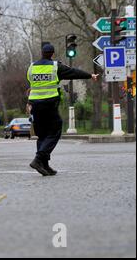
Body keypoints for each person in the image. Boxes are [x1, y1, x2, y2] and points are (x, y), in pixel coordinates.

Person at [27, 43, 99, 176]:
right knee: (55, 131)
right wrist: (90, 75)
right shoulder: (55, 67)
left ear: (41, 53)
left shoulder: (32, 67)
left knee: (42, 135)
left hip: (35, 105)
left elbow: (31, 83)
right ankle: (38, 159)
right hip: (49, 104)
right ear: (52, 54)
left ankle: (44, 165)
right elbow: (73, 73)